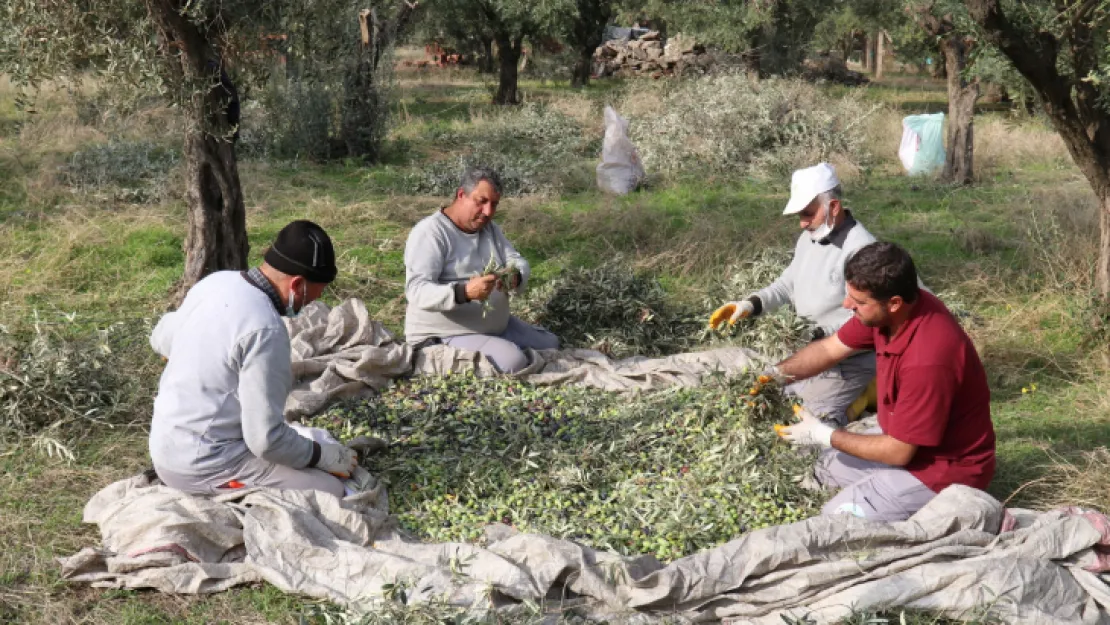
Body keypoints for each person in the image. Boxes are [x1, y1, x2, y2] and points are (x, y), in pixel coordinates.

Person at [774, 242, 996, 522]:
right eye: (849, 295)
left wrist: (825, 435)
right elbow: (830, 349)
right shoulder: (887, 316)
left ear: (894, 303)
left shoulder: (927, 358)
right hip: (905, 446)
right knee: (816, 467)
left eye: (859, 301)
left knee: (835, 521)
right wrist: (773, 375)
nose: (847, 305)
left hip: (940, 472)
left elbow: (898, 451)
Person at [148, 220, 358, 498]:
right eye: (311, 298)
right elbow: (266, 441)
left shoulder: (217, 282)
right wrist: (320, 457)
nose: (309, 306)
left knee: (301, 444)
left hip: (166, 443)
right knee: (332, 490)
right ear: (297, 285)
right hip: (203, 465)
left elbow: (160, 336)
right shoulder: (266, 330)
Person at [709, 162, 877, 425]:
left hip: (848, 361)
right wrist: (751, 304)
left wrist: (818, 334)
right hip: (811, 350)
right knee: (764, 398)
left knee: (810, 422)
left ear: (833, 207)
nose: (802, 223)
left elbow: (867, 321)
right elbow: (788, 283)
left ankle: (860, 399)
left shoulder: (862, 250)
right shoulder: (812, 237)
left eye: (808, 214)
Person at [403, 166, 559, 373]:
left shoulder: (490, 229)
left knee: (551, 343)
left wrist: (515, 276)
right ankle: (432, 355)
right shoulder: (431, 233)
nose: (488, 212)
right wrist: (463, 292)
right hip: (445, 332)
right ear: (461, 195)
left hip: (496, 327)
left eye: (494, 204)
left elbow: (516, 260)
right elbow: (416, 290)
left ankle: (496, 342)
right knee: (513, 361)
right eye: (481, 201)